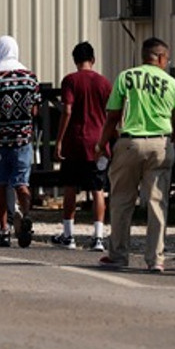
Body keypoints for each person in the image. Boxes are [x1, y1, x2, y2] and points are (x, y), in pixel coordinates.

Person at [98, 37, 175, 273]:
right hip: (161, 143)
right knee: (157, 203)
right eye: (166, 58)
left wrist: (102, 143)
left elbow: (113, 116)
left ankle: (118, 254)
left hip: (129, 143)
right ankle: (155, 258)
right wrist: (170, 140)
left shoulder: (126, 77)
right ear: (160, 57)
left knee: (121, 200)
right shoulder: (171, 83)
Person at [51, 41, 112, 251]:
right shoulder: (104, 83)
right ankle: (98, 237)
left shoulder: (70, 80)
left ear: (75, 60)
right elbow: (112, 113)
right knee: (98, 189)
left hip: (75, 141)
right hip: (98, 142)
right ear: (93, 60)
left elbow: (67, 110)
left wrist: (59, 140)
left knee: (70, 187)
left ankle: (69, 235)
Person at [0, 35, 41, 248]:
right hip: (23, 139)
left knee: (0, 185)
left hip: (0, 140)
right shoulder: (30, 77)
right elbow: (35, 109)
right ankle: (26, 213)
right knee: (21, 183)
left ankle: (4, 230)